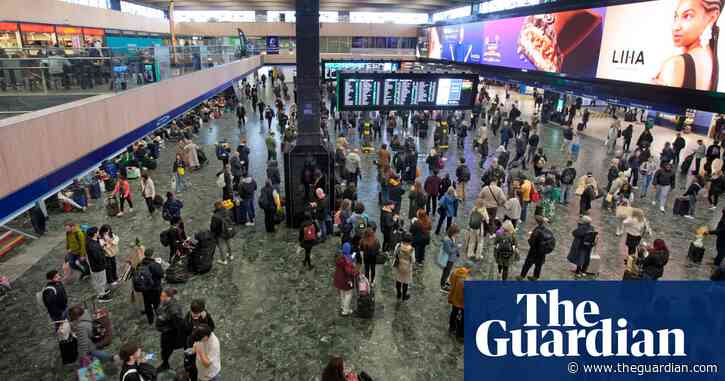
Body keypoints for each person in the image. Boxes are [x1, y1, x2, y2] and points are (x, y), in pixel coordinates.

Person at [654, 0, 722, 91]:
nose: (675, 27)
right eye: (676, 17)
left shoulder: (675, 65)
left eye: (687, 16)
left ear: (712, 18)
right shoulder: (711, 58)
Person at [156, 288, 184, 373]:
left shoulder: (174, 310)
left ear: (168, 297)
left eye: (162, 296)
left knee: (166, 350)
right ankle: (165, 363)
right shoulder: (165, 302)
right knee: (165, 349)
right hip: (166, 332)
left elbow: (178, 325)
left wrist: (167, 330)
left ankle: (165, 364)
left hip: (170, 334)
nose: (160, 297)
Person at [518, 214, 554, 280]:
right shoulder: (548, 231)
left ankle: (521, 276)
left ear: (537, 222)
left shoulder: (536, 231)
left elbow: (531, 242)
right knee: (538, 265)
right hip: (542, 253)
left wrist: (529, 239)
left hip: (534, 252)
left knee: (527, 264)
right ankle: (535, 277)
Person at [86, 227, 112, 302]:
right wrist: (104, 259)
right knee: (101, 281)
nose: (98, 233)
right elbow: (98, 257)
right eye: (97, 232)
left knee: (99, 280)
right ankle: (101, 296)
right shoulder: (93, 246)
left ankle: (102, 291)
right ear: (94, 234)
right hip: (98, 267)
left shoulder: (91, 241)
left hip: (95, 266)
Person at [138, 248, 163, 325]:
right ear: (152, 255)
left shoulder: (140, 264)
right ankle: (159, 318)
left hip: (145, 289)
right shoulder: (155, 265)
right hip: (155, 288)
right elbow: (161, 274)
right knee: (157, 304)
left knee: (147, 304)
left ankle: (150, 320)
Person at [447, 261, 471, 339]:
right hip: (462, 300)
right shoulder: (466, 279)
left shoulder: (454, 272)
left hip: (454, 296)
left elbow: (450, 281)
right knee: (464, 316)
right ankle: (460, 333)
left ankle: (452, 327)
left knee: (454, 312)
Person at [333, 243, 358, 316]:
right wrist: (355, 272)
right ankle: (345, 311)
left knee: (342, 293)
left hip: (339, 280)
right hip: (346, 280)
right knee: (348, 294)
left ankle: (343, 307)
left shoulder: (339, 258)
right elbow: (348, 271)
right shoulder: (346, 260)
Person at [210, 201, 233, 265]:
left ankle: (224, 260)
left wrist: (213, 234)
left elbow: (213, 227)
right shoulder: (227, 211)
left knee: (221, 246)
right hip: (228, 231)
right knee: (229, 243)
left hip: (220, 233)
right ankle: (231, 255)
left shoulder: (215, 216)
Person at [393, 233, 414, 301]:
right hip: (407, 268)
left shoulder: (398, 246)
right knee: (405, 282)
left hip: (399, 266)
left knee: (398, 280)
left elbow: (394, 254)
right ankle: (404, 296)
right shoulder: (411, 249)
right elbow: (413, 260)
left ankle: (398, 294)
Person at [440, 224, 461, 292]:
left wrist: (457, 252)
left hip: (451, 259)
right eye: (457, 233)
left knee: (448, 272)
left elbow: (454, 246)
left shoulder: (453, 237)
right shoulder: (447, 240)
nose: (457, 235)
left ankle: (445, 281)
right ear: (453, 232)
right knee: (446, 272)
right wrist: (457, 247)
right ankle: (442, 286)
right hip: (448, 259)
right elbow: (449, 251)